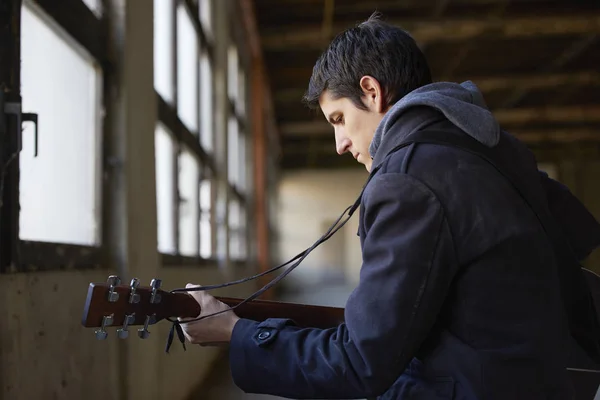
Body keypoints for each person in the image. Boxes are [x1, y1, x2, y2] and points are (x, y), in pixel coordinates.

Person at [180, 13, 600, 399]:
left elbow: (360, 362)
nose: (340, 144)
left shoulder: (406, 178)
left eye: (339, 120)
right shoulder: (496, 149)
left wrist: (235, 334)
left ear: (371, 91)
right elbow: (574, 235)